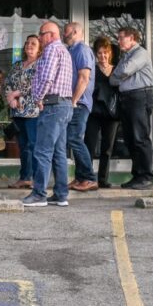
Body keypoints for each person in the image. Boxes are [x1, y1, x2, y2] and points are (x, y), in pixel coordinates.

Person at [17, 22, 74, 206]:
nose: (39, 38)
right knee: (58, 152)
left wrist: (38, 98)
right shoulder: (65, 51)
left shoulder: (50, 50)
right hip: (64, 104)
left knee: (42, 150)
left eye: (41, 34)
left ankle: (39, 193)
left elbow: (47, 77)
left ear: (50, 35)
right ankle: (60, 194)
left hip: (52, 105)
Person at [109, 27, 153, 189]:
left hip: (140, 97)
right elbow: (113, 80)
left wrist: (120, 74)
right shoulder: (126, 56)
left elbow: (124, 70)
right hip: (127, 98)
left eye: (122, 37)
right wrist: (120, 75)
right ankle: (137, 175)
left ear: (132, 38)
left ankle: (146, 176)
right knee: (130, 138)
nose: (119, 41)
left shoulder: (140, 53)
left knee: (140, 137)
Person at [2, 34, 41, 189]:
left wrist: (16, 94)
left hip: (33, 111)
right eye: (27, 43)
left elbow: (35, 85)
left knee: (34, 145)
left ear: (39, 49)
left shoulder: (40, 64)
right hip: (18, 111)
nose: (29, 46)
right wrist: (10, 98)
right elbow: (7, 83)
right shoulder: (18, 65)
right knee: (23, 146)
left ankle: (37, 179)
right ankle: (24, 177)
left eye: (33, 44)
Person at [63, 22, 98, 192]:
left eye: (66, 31)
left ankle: (90, 178)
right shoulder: (71, 50)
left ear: (75, 32)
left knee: (74, 139)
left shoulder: (82, 50)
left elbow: (84, 78)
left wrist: (74, 101)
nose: (64, 34)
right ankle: (80, 178)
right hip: (74, 103)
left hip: (79, 103)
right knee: (73, 139)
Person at [87, 36, 123, 188]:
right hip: (94, 112)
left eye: (105, 53)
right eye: (100, 53)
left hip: (112, 114)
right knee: (89, 145)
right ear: (96, 54)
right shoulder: (92, 70)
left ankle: (102, 179)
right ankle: (87, 177)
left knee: (107, 148)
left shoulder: (117, 70)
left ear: (110, 54)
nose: (103, 56)